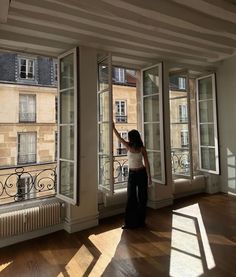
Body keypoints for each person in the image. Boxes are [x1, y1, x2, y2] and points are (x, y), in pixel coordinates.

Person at [113, 123, 152, 229]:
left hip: (141, 173)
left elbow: (147, 163)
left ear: (133, 138)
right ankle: (129, 222)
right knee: (131, 197)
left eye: (129, 137)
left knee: (142, 197)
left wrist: (149, 177)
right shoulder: (128, 146)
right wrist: (113, 127)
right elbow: (119, 138)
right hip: (132, 174)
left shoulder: (142, 148)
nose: (128, 138)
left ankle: (141, 222)